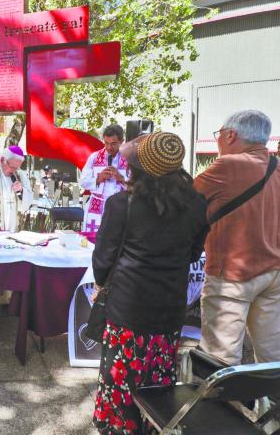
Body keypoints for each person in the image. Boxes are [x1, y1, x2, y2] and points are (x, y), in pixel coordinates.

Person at [91, 132, 208, 434]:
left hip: (128, 307)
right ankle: (154, 424)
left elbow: (103, 261)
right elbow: (194, 252)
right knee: (159, 377)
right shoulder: (196, 204)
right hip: (170, 306)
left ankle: (121, 427)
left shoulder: (122, 204)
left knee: (121, 376)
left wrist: (101, 284)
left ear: (138, 168)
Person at [194, 110, 280, 365]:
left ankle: (224, 405)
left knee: (221, 356)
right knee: (272, 353)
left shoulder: (229, 165)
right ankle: (273, 401)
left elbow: (183, 201)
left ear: (230, 135)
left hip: (234, 272)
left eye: (219, 135)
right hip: (279, 269)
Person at [79, 124, 129, 233]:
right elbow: (83, 182)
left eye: (114, 144)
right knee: (93, 242)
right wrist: (98, 179)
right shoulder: (94, 157)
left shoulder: (128, 160)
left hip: (119, 207)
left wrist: (121, 178)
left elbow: (137, 186)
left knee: (115, 241)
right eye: (106, 143)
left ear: (122, 141)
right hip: (96, 206)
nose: (109, 147)